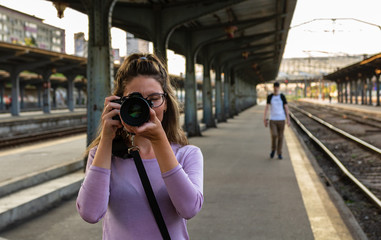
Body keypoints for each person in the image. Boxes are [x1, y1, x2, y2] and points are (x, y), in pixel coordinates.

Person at [76, 53, 204, 240]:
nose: (146, 108)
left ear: (166, 103)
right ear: (119, 103)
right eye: (135, 100)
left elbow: (189, 209)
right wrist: (106, 138)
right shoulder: (102, 155)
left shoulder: (188, 155)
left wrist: (159, 141)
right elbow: (90, 213)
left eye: (153, 98)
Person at [263, 82, 290, 160]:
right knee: (274, 135)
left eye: (277, 87)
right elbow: (267, 108)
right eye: (275, 87)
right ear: (273, 87)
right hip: (273, 120)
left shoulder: (282, 97)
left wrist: (288, 119)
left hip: (281, 119)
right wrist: (264, 118)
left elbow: (286, 108)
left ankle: (279, 153)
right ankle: (273, 149)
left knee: (281, 137)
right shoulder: (270, 97)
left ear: (279, 88)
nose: (276, 88)